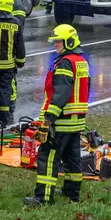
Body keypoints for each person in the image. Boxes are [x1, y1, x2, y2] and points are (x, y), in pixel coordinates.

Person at [24, 24, 90, 206]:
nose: (55, 45)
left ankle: (42, 198)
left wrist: (48, 120)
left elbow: (61, 94)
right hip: (76, 122)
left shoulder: (65, 63)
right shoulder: (81, 62)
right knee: (72, 159)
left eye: (58, 41)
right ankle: (72, 193)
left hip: (61, 122)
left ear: (68, 41)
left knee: (47, 158)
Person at [0, 0, 27, 117]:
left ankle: (10, 105)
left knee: (9, 79)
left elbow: (18, 32)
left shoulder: (17, 5)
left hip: (9, 49)